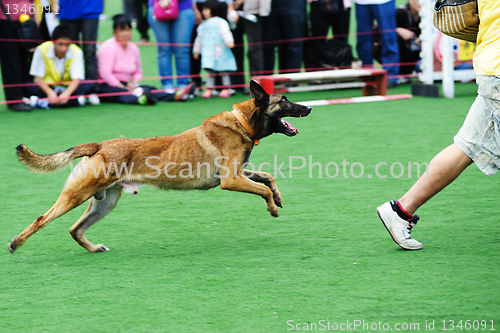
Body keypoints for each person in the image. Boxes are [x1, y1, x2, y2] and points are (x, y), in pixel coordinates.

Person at [377, 0, 500, 250]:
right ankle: (401, 209)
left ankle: (401, 210)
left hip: (491, 59)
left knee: (466, 145)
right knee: (466, 146)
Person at [97, 14, 195, 104]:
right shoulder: (108, 47)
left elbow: (138, 71)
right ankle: (141, 99)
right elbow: (105, 73)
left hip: (128, 84)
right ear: (115, 32)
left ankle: (176, 95)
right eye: (122, 30)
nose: (126, 33)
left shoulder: (133, 48)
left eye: (128, 30)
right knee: (122, 93)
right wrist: (121, 86)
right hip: (109, 86)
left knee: (150, 89)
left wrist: (134, 82)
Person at [26, 24, 97, 108]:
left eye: (67, 44)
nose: (64, 49)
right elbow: (37, 78)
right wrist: (50, 93)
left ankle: (42, 102)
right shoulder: (42, 49)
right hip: (48, 87)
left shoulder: (76, 51)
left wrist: (66, 94)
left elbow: (76, 79)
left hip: (67, 87)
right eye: (60, 44)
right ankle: (76, 101)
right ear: (53, 42)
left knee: (89, 84)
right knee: (27, 86)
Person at [148, 0, 195, 93]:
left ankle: (183, 85)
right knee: (163, 49)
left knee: (182, 49)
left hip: (183, 7)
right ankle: (167, 85)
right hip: (158, 6)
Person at [193, 0, 237, 98]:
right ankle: (209, 88)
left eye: (206, 9)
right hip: (208, 52)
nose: (204, 12)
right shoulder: (203, 25)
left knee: (223, 71)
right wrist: (196, 50)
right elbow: (199, 38)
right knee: (210, 72)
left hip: (220, 51)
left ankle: (226, 88)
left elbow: (226, 33)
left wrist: (229, 41)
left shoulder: (222, 22)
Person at [353, 0, 400, 87]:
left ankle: (391, 76)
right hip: (361, 2)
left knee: (388, 38)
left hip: (384, 1)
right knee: (363, 40)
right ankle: (366, 74)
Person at [53, 0, 103, 81]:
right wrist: (55, 3)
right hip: (68, 8)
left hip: (91, 7)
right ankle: (71, 85)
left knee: (90, 51)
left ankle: (93, 87)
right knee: (69, 50)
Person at [0, 0, 35, 111]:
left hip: (27, 22)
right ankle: (14, 99)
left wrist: (37, 20)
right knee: (11, 61)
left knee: (27, 60)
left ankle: (28, 94)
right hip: (6, 22)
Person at [305, 0, 352, 71]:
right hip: (318, 4)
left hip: (342, 4)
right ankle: (314, 75)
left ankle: (343, 74)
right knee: (317, 41)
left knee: (341, 42)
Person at [263, 0, 306, 74]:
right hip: (272, 6)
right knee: (271, 45)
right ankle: (276, 80)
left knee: (294, 45)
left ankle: (292, 80)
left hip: (293, 6)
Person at [242, 0, 271, 76]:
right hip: (245, 11)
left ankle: (258, 81)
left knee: (255, 49)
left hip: (255, 13)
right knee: (252, 50)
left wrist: (264, 11)